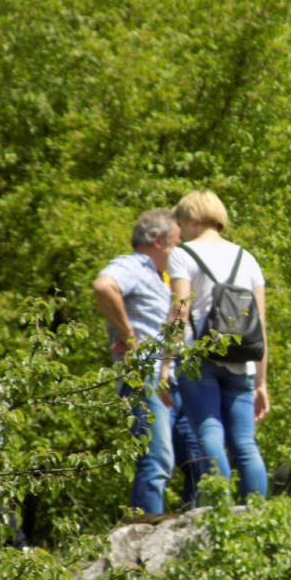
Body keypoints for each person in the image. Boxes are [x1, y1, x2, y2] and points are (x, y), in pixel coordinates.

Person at [160, 189, 269, 501]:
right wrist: (261, 383)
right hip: (243, 363)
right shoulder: (247, 258)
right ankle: (255, 514)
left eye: (179, 222)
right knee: (245, 443)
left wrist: (165, 365)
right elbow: (259, 326)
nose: (178, 232)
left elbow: (180, 309)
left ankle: (219, 510)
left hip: (199, 359)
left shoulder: (182, 254)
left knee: (209, 433)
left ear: (193, 219)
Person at [94, 208, 201, 514]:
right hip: (145, 380)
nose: (179, 251)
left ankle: (191, 538)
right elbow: (103, 285)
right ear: (158, 239)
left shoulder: (160, 276)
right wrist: (128, 335)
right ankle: (142, 541)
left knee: (200, 459)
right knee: (157, 460)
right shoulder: (133, 265)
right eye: (176, 243)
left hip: (172, 381)